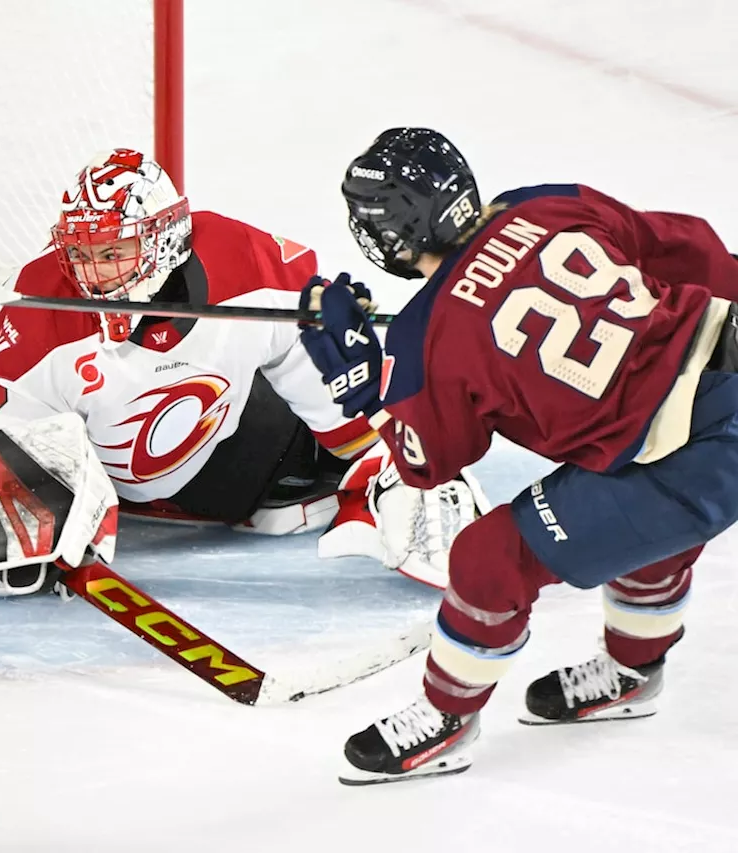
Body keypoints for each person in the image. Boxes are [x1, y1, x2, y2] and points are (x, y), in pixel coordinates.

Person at [301, 127, 738, 785]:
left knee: (490, 558)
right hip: (723, 365)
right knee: (635, 517)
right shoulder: (543, 203)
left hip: (693, 455)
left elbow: (429, 461)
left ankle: (446, 719)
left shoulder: (427, 336)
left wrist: (365, 387)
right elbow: (691, 249)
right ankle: (632, 671)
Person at [0, 147, 486, 582]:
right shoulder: (36, 309)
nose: (88, 274)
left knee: (337, 379)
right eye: (80, 253)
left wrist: (389, 466)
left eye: (110, 253)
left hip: (226, 454)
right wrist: (26, 498)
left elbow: (323, 364)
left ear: (164, 242)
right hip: (85, 448)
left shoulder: (246, 262)